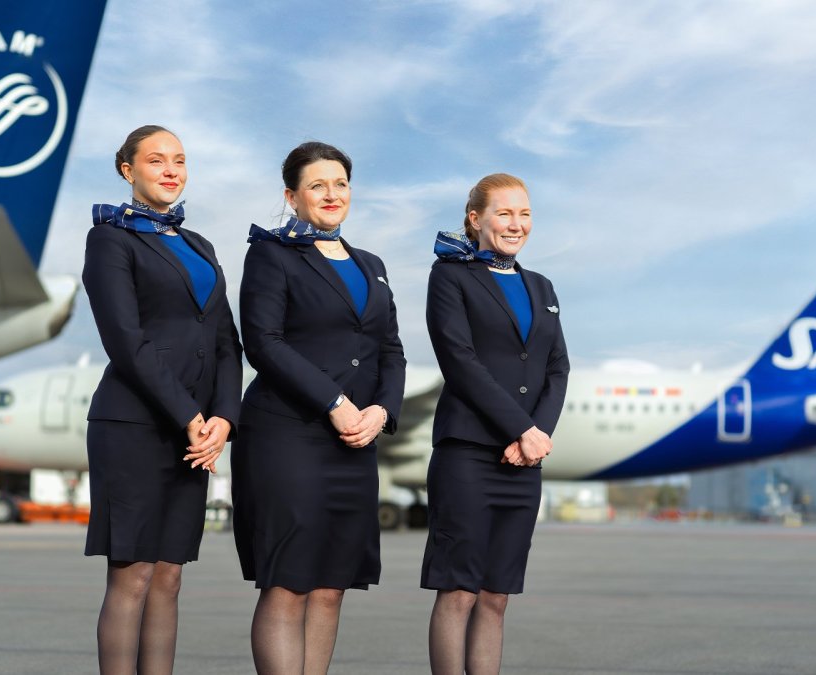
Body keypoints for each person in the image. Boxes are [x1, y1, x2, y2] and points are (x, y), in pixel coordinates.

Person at [232, 141, 406, 674]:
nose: (332, 194)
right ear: (292, 196)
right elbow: (263, 340)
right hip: (288, 433)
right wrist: (334, 402)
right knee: (289, 582)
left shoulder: (370, 264)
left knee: (331, 586)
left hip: (353, 441)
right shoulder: (272, 253)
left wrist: (381, 412)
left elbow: (390, 349)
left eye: (340, 184)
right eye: (317, 185)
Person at [81, 125, 243, 674]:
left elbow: (226, 341)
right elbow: (126, 341)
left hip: (194, 434)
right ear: (128, 170)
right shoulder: (110, 238)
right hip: (133, 425)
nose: (171, 169)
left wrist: (223, 416)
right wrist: (190, 415)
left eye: (179, 159)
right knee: (134, 575)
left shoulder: (201, 246)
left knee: (170, 576)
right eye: (156, 160)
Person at [422, 173, 569, 675]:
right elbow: (459, 360)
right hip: (468, 454)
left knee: (495, 598)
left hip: (524, 463)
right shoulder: (451, 276)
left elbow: (557, 368)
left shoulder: (541, 286)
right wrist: (518, 430)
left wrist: (536, 436)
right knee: (459, 593)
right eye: (504, 213)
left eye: (524, 214)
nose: (516, 224)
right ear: (475, 219)